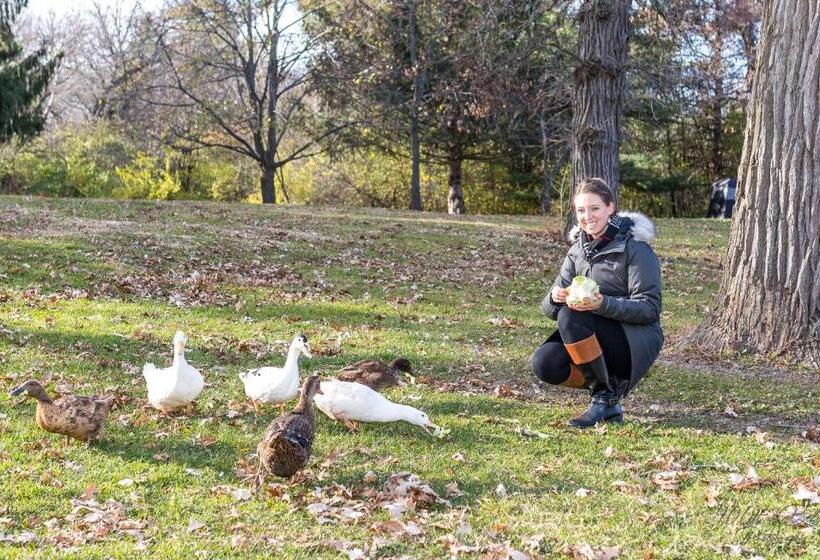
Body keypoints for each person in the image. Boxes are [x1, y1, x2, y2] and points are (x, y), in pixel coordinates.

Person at [531, 178, 663, 428]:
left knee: (571, 316)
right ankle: (607, 393)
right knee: (545, 363)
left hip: (634, 339)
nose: (587, 216)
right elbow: (549, 310)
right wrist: (554, 297)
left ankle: (604, 399)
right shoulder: (577, 250)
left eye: (594, 208)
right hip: (589, 332)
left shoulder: (636, 248)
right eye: (581, 210)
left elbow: (650, 309)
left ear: (610, 207)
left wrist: (602, 304)